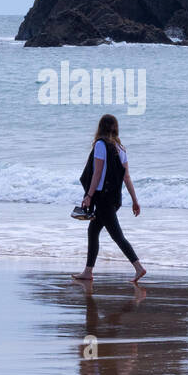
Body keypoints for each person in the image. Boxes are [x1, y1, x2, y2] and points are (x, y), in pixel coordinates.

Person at [71, 114, 146, 282]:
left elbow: (97, 173)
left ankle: (138, 267)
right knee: (93, 230)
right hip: (115, 198)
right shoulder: (121, 149)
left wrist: (89, 195)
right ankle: (88, 271)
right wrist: (135, 200)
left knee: (116, 235)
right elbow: (127, 178)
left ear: (100, 127)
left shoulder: (100, 145)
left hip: (102, 198)